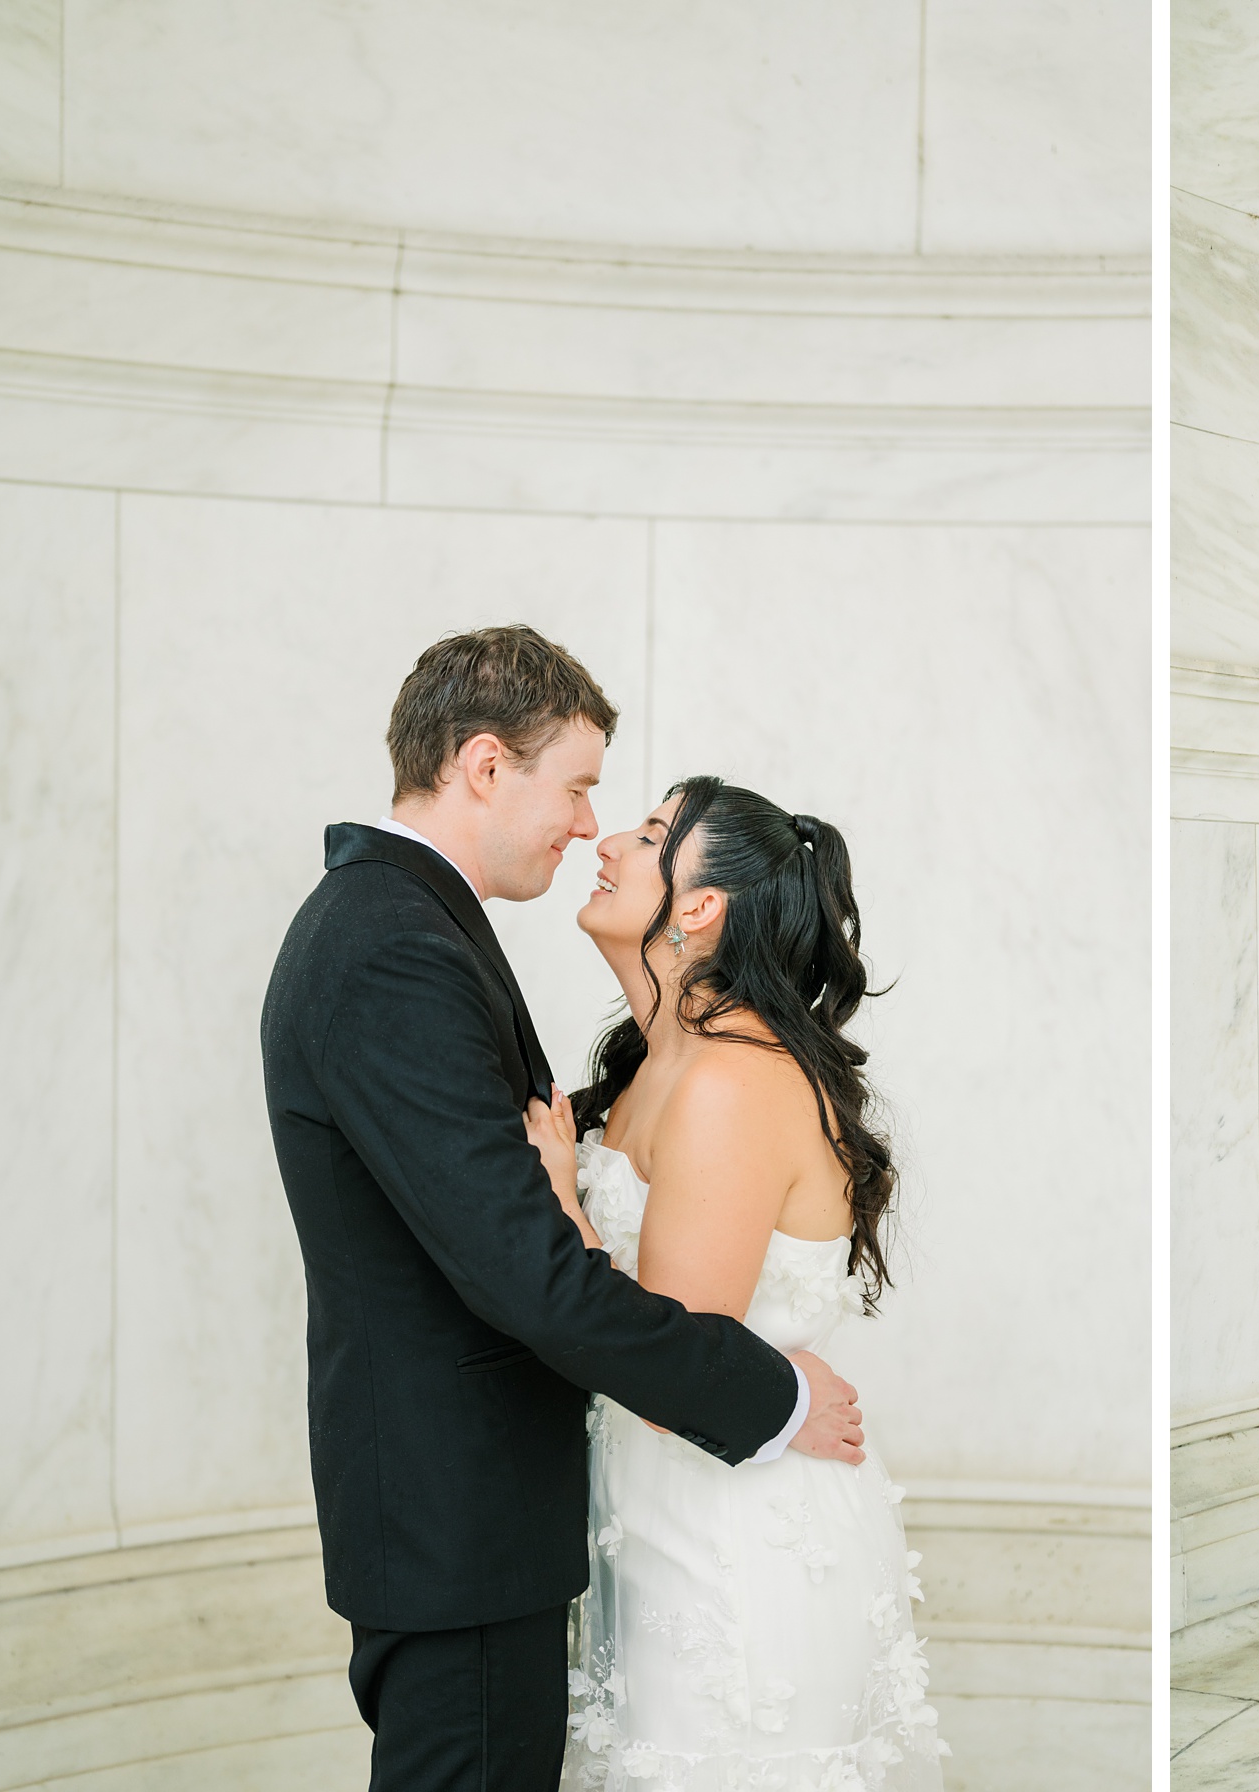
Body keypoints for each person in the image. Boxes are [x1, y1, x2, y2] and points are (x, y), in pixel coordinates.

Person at [261, 627, 864, 1792]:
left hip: (501, 1524)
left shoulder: (402, 923)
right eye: (580, 787)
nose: (589, 824)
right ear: (486, 766)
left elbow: (518, 1174)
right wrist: (773, 1391)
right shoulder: (393, 943)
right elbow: (527, 1272)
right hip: (459, 1525)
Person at [528, 778, 947, 1788]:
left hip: (734, 1541)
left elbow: (680, 1364)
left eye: (652, 834)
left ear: (700, 906)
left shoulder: (730, 1079)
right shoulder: (658, 1061)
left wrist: (561, 1201)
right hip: (660, 1518)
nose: (610, 841)